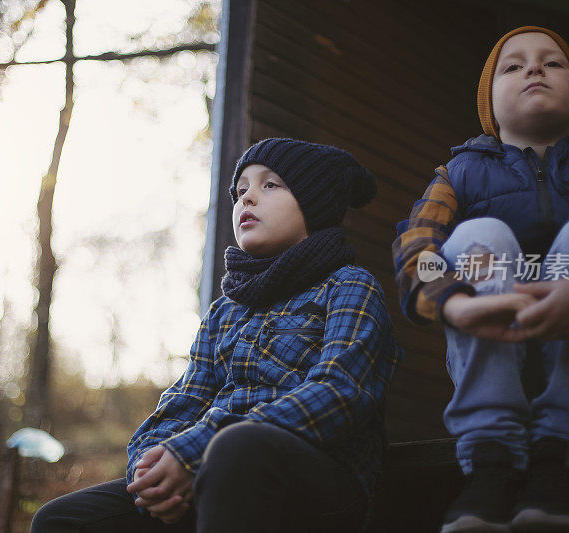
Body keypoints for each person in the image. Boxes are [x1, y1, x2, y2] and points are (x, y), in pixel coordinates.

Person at [32, 138, 405, 532]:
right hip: (209, 469)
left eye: (270, 185)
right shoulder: (225, 311)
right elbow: (184, 400)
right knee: (61, 520)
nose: (248, 199)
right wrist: (153, 469)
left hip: (321, 482)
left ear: (313, 203)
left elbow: (340, 390)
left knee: (238, 448)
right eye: (240, 191)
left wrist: (202, 446)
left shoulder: (349, 286)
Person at [392, 25, 569, 533]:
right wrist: (452, 302)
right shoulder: (459, 173)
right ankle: (491, 460)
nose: (533, 68)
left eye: (552, 63)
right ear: (489, 102)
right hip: (494, 351)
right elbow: (417, 249)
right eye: (514, 65)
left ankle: (558, 462)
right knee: (478, 234)